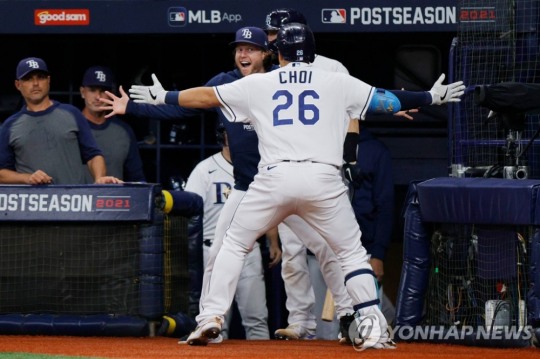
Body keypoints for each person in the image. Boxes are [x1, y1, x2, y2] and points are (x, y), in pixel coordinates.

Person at [100, 22, 465, 349]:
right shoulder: (336, 80)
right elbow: (387, 99)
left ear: (277, 53)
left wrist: (163, 97)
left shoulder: (258, 84)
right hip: (323, 180)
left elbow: (205, 98)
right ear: (312, 50)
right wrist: (430, 97)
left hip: (273, 180)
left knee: (232, 244)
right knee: (350, 253)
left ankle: (210, 317)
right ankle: (369, 324)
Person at [99, 26, 282, 341]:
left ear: (266, 52)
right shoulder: (224, 83)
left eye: (250, 48)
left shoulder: (281, 80)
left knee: (321, 249)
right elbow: (180, 109)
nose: (243, 54)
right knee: (220, 253)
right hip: (247, 185)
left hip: (285, 180)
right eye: (239, 48)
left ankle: (349, 314)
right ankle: (208, 320)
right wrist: (131, 107)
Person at [184, 125, 281, 340]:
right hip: (213, 249)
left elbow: (270, 206)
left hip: (249, 249)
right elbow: (189, 212)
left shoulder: (256, 167)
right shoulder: (205, 169)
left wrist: (273, 242)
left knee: (256, 318)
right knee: (216, 323)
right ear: (222, 136)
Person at [0, 57, 121, 185]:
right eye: (28, 78)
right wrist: (27, 178)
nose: (35, 83)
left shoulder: (72, 114)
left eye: (40, 77)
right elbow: (1, 173)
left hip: (72, 201)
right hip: (32, 203)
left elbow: (93, 155)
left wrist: (99, 178)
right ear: (18, 85)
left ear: (48, 80)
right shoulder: (10, 125)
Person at [80, 65, 145, 183]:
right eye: (92, 90)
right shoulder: (70, 127)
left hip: (114, 199)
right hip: (76, 199)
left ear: (111, 94)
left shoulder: (123, 131)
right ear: (83, 92)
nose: (98, 97)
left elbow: (137, 178)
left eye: (102, 91)